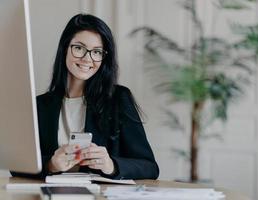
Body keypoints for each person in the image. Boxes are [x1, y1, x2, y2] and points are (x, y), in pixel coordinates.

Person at [12, 14, 159, 180]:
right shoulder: (40, 105)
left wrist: (111, 165)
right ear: (65, 48)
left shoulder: (118, 98)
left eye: (97, 52)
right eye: (79, 48)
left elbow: (150, 167)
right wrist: (50, 164)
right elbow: (18, 166)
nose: (87, 59)